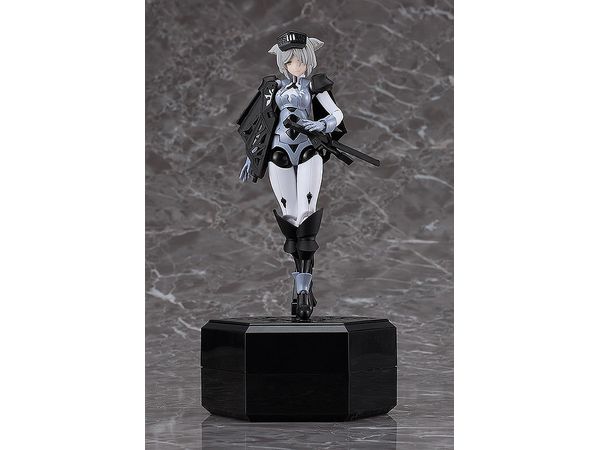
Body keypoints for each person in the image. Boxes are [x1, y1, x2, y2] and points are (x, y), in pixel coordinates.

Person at [237, 31, 347, 320]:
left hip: (308, 149)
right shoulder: (272, 88)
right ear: (283, 63)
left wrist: (321, 124)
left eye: (300, 60)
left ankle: (304, 288)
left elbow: (337, 114)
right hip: (278, 151)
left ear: (309, 60)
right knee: (290, 216)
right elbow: (260, 123)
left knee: (306, 214)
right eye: (290, 61)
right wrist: (252, 155)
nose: (296, 65)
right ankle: (300, 284)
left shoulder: (315, 86)